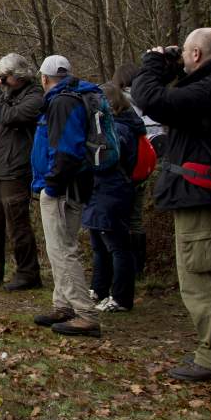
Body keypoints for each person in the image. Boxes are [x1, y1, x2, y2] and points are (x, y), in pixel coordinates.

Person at [130, 28, 211, 382]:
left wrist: (154, 65)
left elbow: (152, 101)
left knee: (203, 279)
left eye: (186, 54)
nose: (182, 60)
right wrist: (173, 67)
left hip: (203, 196)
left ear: (198, 54)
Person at [29, 55, 103, 337]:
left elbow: (67, 151)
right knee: (60, 247)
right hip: (73, 185)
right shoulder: (75, 97)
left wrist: (52, 185)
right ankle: (63, 305)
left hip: (63, 188)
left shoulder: (61, 102)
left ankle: (84, 312)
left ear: (45, 79)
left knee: (62, 250)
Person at [0, 54, 44, 291]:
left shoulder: (34, 97)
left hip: (15, 170)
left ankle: (28, 274)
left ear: (18, 77)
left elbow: (11, 117)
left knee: (17, 226)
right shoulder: (4, 93)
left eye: (4, 77)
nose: (1, 80)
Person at [84, 83, 144, 313]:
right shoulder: (114, 127)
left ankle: (120, 297)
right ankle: (99, 289)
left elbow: (106, 160)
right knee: (99, 244)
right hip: (102, 189)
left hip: (112, 189)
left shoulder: (119, 130)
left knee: (117, 246)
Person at [114, 63, 162, 277]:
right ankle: (138, 268)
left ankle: (124, 268)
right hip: (144, 167)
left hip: (123, 170)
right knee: (135, 219)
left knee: (119, 220)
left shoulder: (118, 102)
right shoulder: (151, 99)